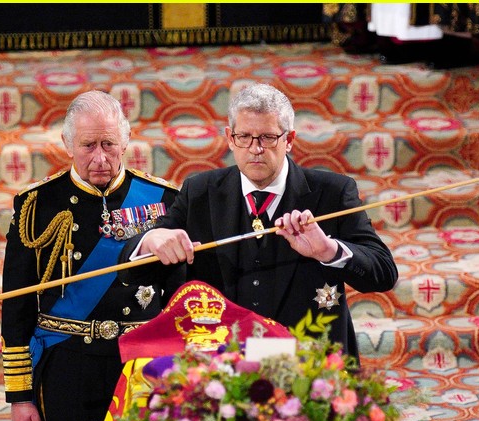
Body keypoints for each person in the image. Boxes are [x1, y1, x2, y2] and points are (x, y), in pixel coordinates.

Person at [1, 90, 177, 421]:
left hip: (140, 364)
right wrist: (20, 394)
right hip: (68, 362)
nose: (100, 158)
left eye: (109, 145)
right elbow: (17, 306)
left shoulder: (164, 203)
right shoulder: (36, 207)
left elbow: (180, 299)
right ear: (67, 145)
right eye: (88, 146)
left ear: (127, 140)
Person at [126, 83, 397, 359]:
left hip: (308, 363)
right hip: (222, 362)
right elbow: (134, 270)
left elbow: (384, 273)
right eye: (244, 137)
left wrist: (328, 250)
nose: (255, 149)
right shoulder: (200, 191)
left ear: (289, 139)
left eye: (267, 137)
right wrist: (151, 241)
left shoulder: (333, 192)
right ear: (230, 138)